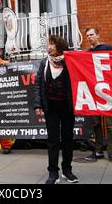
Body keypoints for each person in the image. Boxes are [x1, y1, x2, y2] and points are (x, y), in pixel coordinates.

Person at [34, 35, 79, 184]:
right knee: (53, 140)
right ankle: (53, 172)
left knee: (68, 139)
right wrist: (38, 104)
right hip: (51, 108)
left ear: (59, 46)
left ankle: (67, 170)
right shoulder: (44, 62)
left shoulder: (69, 62)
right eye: (49, 44)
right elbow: (38, 84)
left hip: (67, 108)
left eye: (52, 44)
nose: (49, 47)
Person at [84, 28, 112, 164]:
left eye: (91, 35)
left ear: (98, 35)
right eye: (87, 35)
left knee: (110, 125)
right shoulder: (87, 53)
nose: (89, 37)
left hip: (107, 92)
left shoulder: (107, 48)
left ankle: (111, 152)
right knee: (96, 123)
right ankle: (98, 150)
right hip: (94, 93)